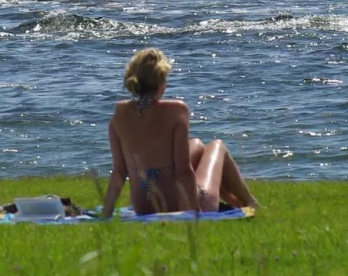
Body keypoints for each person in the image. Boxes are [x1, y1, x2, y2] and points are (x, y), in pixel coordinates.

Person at [101, 48, 257, 217]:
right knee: (217, 146)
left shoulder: (119, 116)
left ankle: (235, 201)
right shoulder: (176, 110)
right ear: (161, 82)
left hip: (143, 207)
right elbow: (183, 171)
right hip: (179, 204)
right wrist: (193, 213)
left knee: (196, 144)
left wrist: (106, 214)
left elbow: (119, 173)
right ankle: (250, 202)